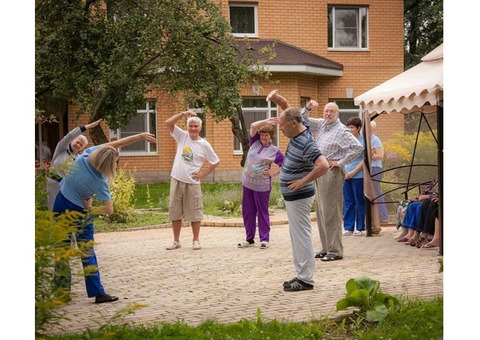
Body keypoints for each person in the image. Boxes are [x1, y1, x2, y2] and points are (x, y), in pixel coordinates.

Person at [53, 132, 157, 303]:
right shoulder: (100, 181)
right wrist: (91, 208)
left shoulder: (85, 155)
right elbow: (109, 210)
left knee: (61, 250)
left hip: (60, 202)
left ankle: (61, 293)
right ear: (110, 164)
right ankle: (97, 293)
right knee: (87, 252)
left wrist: (140, 136)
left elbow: (116, 143)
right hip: (79, 212)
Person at [267, 90, 363, 262]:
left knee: (331, 211)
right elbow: (301, 120)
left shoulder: (342, 130)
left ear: (338, 114)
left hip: (331, 171)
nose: (327, 114)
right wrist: (308, 108)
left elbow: (358, 148)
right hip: (319, 169)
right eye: (326, 110)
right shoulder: (321, 125)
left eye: (331, 111)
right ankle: (326, 247)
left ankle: (335, 250)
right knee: (321, 211)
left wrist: (340, 162)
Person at [274, 106, 329, 292]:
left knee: (302, 236)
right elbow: (288, 107)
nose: (280, 129)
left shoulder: (307, 142)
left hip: (300, 196)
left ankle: (306, 279)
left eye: (282, 125)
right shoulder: (299, 130)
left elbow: (323, 165)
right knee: (296, 237)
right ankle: (301, 274)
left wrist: (302, 181)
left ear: (292, 123)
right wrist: (276, 99)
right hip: (294, 198)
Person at [165, 110, 220, 251]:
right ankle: (176, 241)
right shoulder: (182, 136)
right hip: (177, 179)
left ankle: (196, 240)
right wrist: (183, 114)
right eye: (191, 126)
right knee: (175, 211)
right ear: (187, 127)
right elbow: (168, 123)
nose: (193, 129)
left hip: (193, 183)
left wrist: (204, 173)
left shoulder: (204, 144)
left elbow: (215, 161)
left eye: (196, 126)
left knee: (195, 213)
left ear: (200, 128)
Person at [238, 117, 284, 249]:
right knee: (248, 212)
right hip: (248, 184)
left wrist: (273, 173)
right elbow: (252, 125)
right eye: (262, 134)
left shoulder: (274, 151)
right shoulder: (254, 142)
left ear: (271, 136)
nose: (264, 137)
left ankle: (265, 239)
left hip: (262, 186)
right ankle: (249, 238)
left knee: (262, 211)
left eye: (267, 135)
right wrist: (267, 121)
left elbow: (285, 163)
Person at [46, 119, 103, 211]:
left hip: (67, 188)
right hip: (54, 184)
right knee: (53, 209)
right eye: (77, 142)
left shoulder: (78, 158)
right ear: (72, 141)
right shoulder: (61, 149)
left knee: (66, 211)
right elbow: (70, 136)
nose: (78, 145)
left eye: (81, 145)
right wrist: (87, 127)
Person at [343, 117, 366, 236]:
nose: (350, 129)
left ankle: (360, 227)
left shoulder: (363, 141)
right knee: (348, 201)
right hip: (345, 175)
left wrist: (353, 172)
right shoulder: (345, 141)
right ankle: (348, 227)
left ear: (358, 128)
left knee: (359, 201)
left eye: (352, 127)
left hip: (358, 175)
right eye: (349, 127)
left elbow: (364, 160)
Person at [370, 120, 389, 223]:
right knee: (374, 192)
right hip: (369, 168)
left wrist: (368, 156)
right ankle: (378, 216)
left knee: (376, 192)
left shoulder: (375, 140)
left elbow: (380, 156)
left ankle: (383, 216)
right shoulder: (366, 139)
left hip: (375, 168)